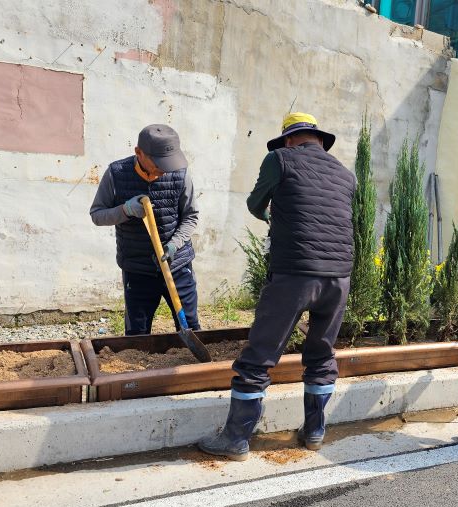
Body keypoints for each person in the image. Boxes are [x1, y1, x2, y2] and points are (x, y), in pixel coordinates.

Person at [198, 113, 355, 461]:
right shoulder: (345, 174)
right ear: (319, 141)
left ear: (289, 140)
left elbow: (256, 203)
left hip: (295, 273)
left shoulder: (279, 159)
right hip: (339, 276)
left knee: (260, 354)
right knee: (321, 352)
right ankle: (314, 431)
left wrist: (271, 215)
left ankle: (236, 438)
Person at [90, 124, 200, 336]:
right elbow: (97, 215)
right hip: (137, 268)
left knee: (191, 327)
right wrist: (125, 210)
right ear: (138, 153)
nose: (164, 169)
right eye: (158, 163)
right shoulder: (116, 174)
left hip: (177, 266)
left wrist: (175, 244)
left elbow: (190, 216)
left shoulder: (180, 174)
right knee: (137, 334)